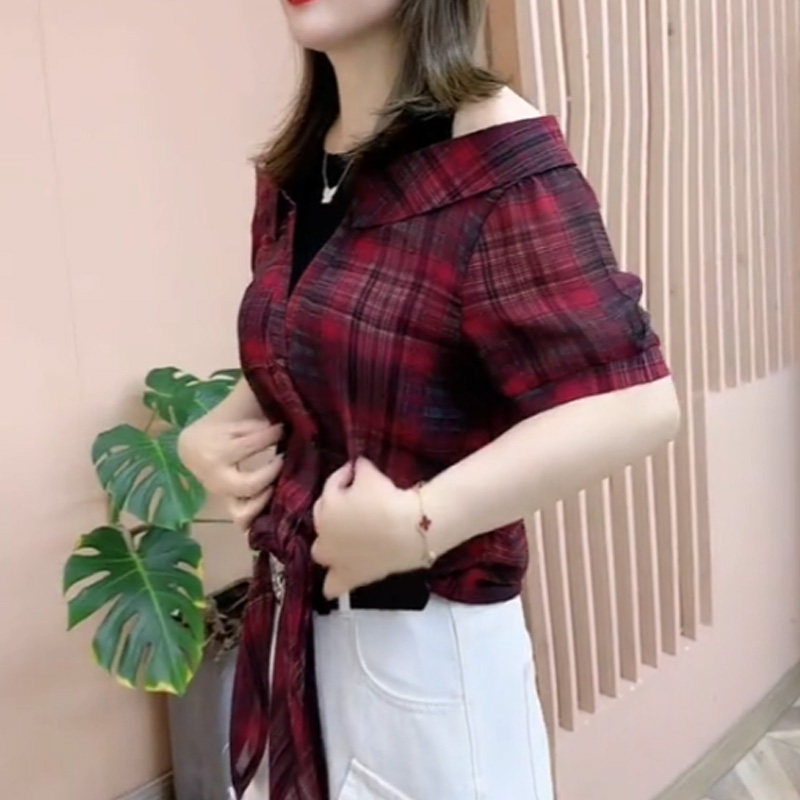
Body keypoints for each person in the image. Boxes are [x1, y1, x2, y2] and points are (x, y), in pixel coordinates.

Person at [178, 1, 681, 798]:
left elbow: (634, 402)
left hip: (425, 644)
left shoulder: (499, 159)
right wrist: (214, 427)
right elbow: (316, 337)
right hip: (296, 626)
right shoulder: (303, 164)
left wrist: (421, 521)